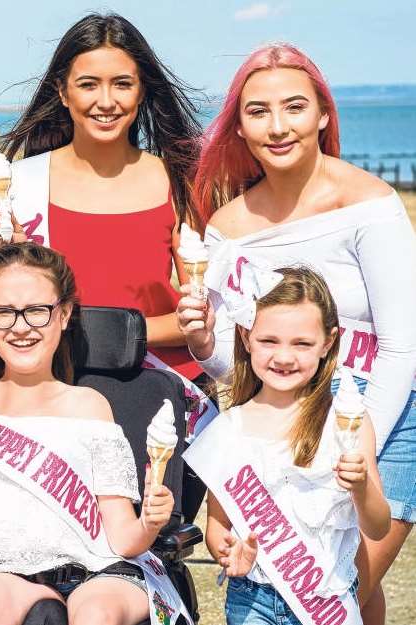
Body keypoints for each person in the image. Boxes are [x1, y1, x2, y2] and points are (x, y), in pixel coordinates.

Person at [178, 43, 416, 622]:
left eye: (294, 107)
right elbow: (246, 365)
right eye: (258, 111)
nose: (278, 127)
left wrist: (351, 438)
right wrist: (204, 344)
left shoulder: (369, 203)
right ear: (238, 124)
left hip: (379, 412)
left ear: (323, 114)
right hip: (276, 418)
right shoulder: (227, 226)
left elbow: (403, 346)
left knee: (342, 589)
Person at [0, 12, 216, 521]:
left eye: (122, 84)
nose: (105, 101)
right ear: (63, 93)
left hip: (153, 401)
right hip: (53, 395)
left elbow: (200, 316)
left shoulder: (179, 184)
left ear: (141, 91)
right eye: (88, 84)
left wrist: (111, 337)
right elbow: (9, 312)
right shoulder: (21, 186)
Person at [0, 243, 191, 625]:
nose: (21, 326)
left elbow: (123, 538)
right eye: (5, 313)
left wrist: (150, 523)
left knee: (94, 614)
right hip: (7, 576)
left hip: (100, 576)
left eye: (37, 311)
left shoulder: (89, 406)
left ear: (63, 314)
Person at [185, 267, 389, 625]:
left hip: (327, 603)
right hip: (252, 602)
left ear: (328, 343)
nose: (283, 357)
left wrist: (360, 487)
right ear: (246, 337)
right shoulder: (229, 429)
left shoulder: (347, 422)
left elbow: (378, 527)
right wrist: (228, 551)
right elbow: (217, 525)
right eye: (269, 341)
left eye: (302, 343)